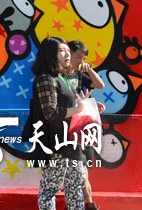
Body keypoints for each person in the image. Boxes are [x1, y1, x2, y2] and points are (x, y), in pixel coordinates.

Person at [31, 36, 89, 210]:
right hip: (55, 143)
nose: (67, 54)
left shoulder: (63, 77)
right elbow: (51, 113)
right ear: (50, 54)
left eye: (67, 51)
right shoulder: (45, 78)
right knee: (50, 188)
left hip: (71, 140)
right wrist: (77, 109)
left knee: (76, 184)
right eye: (61, 51)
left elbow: (70, 104)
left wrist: (88, 106)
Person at [68, 40, 106, 210]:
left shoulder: (79, 75)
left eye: (84, 58)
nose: (81, 61)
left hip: (82, 126)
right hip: (67, 126)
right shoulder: (61, 77)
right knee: (76, 167)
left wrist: (89, 69)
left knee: (82, 165)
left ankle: (87, 204)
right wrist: (81, 102)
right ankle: (87, 204)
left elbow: (100, 85)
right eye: (78, 57)